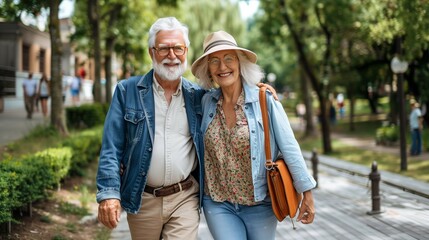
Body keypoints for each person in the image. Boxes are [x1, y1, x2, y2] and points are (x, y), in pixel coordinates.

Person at [191, 30, 317, 240]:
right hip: (218, 203)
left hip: (260, 204)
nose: (222, 67)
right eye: (214, 61)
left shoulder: (264, 99)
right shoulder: (205, 102)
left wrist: (307, 192)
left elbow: (289, 147)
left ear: (240, 63)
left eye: (229, 58)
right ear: (208, 70)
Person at [96, 17, 205, 240]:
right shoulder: (127, 91)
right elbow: (111, 149)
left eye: (178, 48)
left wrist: (258, 90)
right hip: (142, 198)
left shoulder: (198, 96)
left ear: (186, 51)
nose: (172, 55)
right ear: (151, 52)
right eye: (164, 48)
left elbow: (231, 98)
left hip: (184, 197)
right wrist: (109, 193)